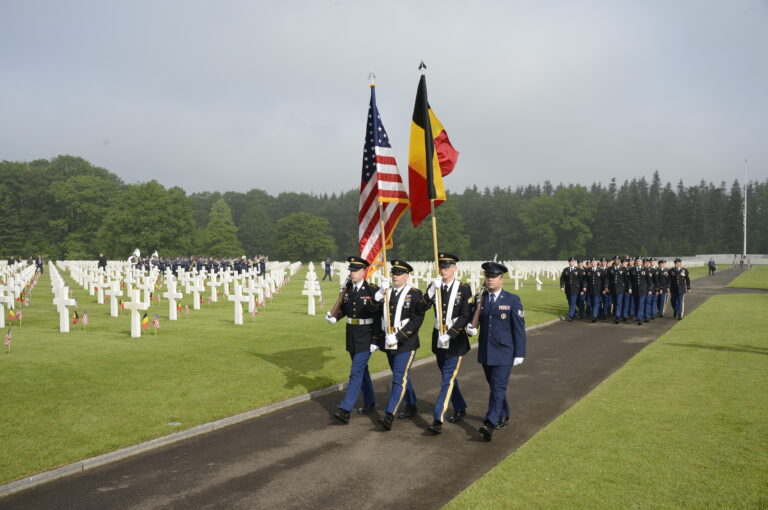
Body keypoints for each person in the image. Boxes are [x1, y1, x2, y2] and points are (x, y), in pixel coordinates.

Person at [466, 262, 526, 442]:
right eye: (488, 277)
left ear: (501, 279)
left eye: (493, 277)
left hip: (504, 353)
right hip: (486, 351)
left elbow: (519, 329)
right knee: (495, 387)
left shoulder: (512, 300)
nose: (490, 280)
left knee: (498, 387)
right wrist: (471, 327)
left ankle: (490, 423)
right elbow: (473, 319)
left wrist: (520, 353)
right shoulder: (480, 298)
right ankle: (504, 414)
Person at [420, 252, 472, 435]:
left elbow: (465, 315)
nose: (444, 270)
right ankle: (460, 406)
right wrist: (431, 291)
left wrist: (450, 334)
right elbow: (421, 307)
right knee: (448, 378)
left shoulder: (464, 289)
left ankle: (437, 418)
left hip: (455, 340)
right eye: (442, 267)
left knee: (446, 380)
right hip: (438, 338)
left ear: (455, 268)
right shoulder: (435, 286)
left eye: (448, 267)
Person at [325, 256, 381, 424]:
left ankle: (345, 409)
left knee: (355, 371)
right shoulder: (348, 289)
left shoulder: (372, 290)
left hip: (366, 336)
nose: (352, 273)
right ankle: (370, 400)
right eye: (351, 270)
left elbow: (378, 316)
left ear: (364, 272)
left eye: (356, 270)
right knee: (362, 371)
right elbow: (345, 308)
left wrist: (376, 339)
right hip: (352, 335)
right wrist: (336, 317)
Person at [372, 260, 424, 431]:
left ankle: (389, 415)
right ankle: (412, 404)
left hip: (405, 343)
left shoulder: (414, 294)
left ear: (407, 276)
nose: (395, 276)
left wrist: (399, 336)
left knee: (398, 378)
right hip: (388, 340)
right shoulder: (386, 292)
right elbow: (375, 313)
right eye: (394, 273)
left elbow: (417, 320)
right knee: (401, 376)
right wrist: (379, 293)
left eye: (399, 273)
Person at [628, 257, 651, 325]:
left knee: (641, 304)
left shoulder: (645, 269)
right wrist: (630, 288)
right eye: (637, 261)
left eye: (639, 261)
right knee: (636, 304)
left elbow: (649, 280)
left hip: (643, 290)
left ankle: (639, 319)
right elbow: (630, 280)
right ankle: (638, 316)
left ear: (642, 262)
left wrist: (649, 289)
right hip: (635, 290)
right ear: (635, 262)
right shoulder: (632, 269)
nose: (638, 262)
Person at [583, 258, 604, 323]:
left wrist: (604, 288)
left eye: (594, 262)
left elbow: (603, 280)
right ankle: (596, 313)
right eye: (592, 262)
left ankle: (594, 316)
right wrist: (584, 286)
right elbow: (585, 280)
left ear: (597, 263)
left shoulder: (600, 270)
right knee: (592, 303)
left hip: (598, 290)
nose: (593, 263)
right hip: (590, 290)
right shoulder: (588, 270)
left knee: (596, 302)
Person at [559, 257, 580, 321]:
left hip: (575, 289)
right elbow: (562, 279)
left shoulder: (578, 270)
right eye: (571, 261)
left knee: (573, 302)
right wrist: (562, 286)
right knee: (570, 302)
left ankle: (570, 316)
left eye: (573, 261)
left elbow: (581, 280)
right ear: (569, 262)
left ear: (575, 262)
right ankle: (574, 312)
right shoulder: (566, 270)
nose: (572, 262)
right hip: (568, 289)